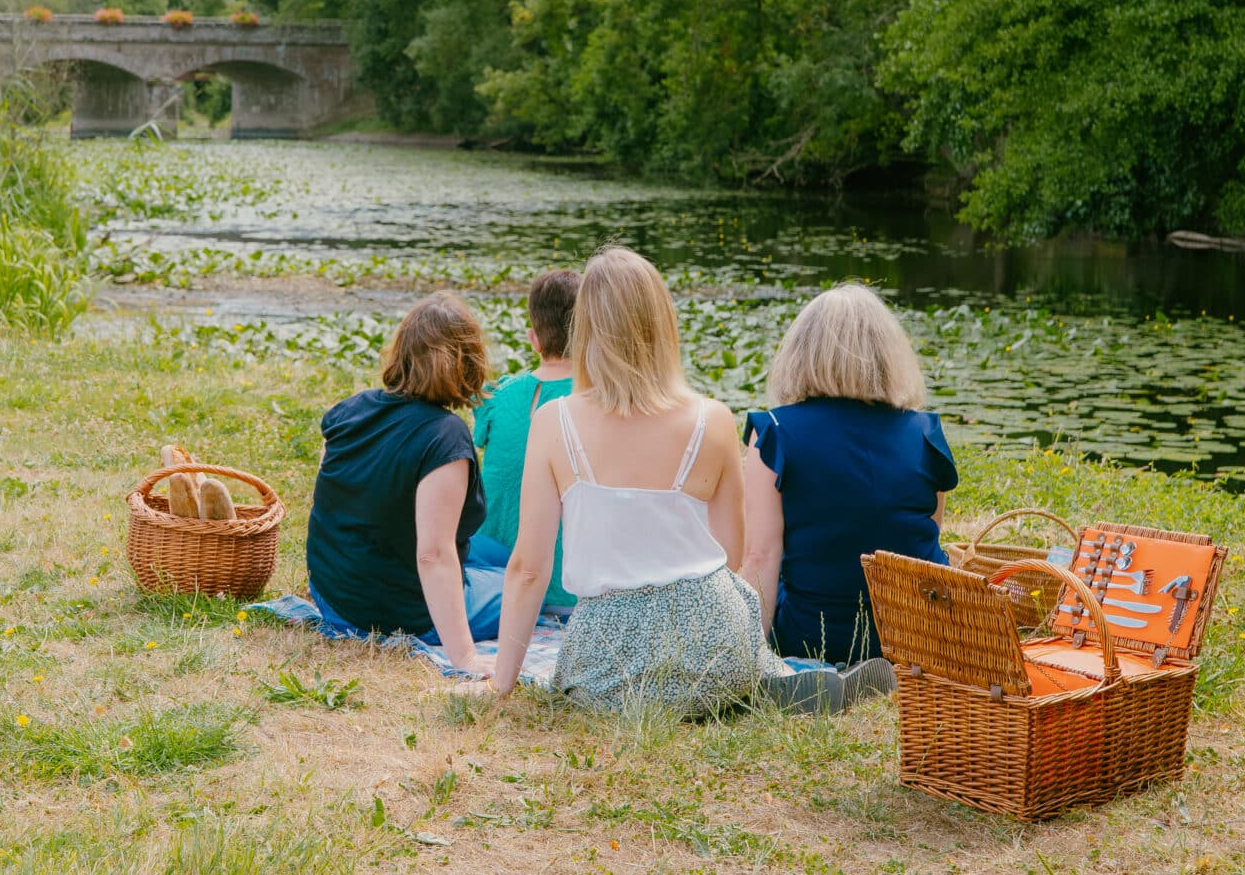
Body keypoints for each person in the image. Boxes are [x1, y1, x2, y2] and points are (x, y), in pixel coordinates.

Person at [474, 247, 887, 716]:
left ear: (585, 328)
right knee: (728, 641)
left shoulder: (553, 422)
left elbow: (529, 567)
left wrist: (501, 683)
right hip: (713, 632)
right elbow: (730, 557)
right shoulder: (711, 419)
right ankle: (754, 679)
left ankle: (697, 686)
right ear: (662, 323)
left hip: (605, 651)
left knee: (603, 688)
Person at [741, 283, 958, 664]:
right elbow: (927, 542)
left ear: (800, 352)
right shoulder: (926, 434)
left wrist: (748, 658)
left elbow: (761, 556)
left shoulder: (774, 431)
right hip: (914, 638)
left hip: (810, 637)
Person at [305, 291, 502, 672]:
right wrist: (465, 657)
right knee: (527, 583)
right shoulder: (444, 436)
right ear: (467, 362)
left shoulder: (347, 412)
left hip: (334, 594)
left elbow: (327, 504)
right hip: (399, 608)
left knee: (503, 555)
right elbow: (433, 554)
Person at [468, 268, 580, 614]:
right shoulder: (603, 402)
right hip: (574, 590)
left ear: (533, 338)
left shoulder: (497, 397)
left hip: (499, 578)